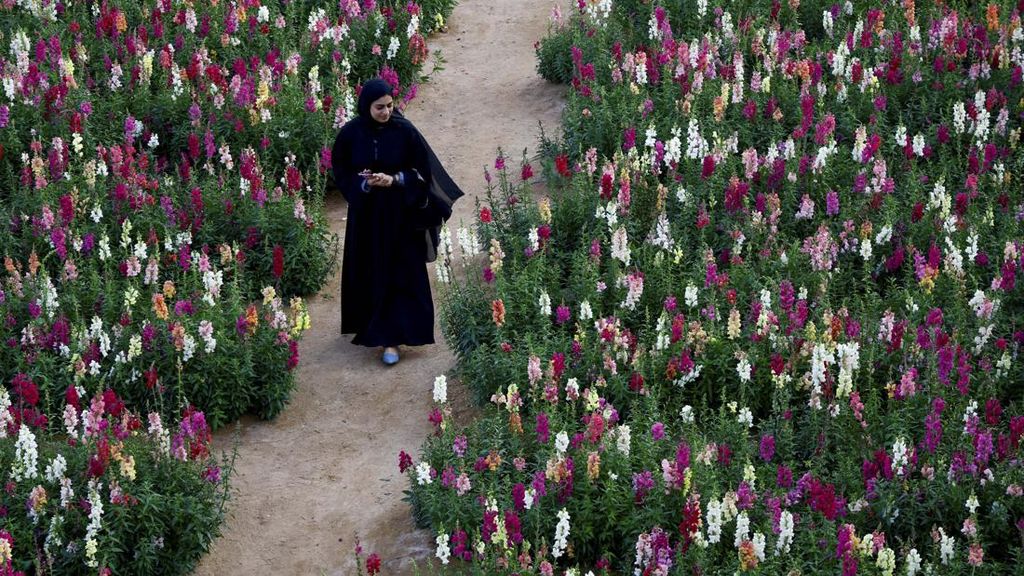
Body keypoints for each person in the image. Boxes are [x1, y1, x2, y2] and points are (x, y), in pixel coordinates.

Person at [331, 78, 462, 365]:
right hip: (366, 216)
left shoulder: (405, 132)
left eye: (390, 106)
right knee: (372, 269)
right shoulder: (351, 134)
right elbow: (340, 168)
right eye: (379, 107)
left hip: (400, 215)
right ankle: (376, 330)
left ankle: (393, 339)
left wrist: (394, 179)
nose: (386, 112)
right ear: (366, 106)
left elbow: (421, 172)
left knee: (400, 271)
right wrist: (363, 183)